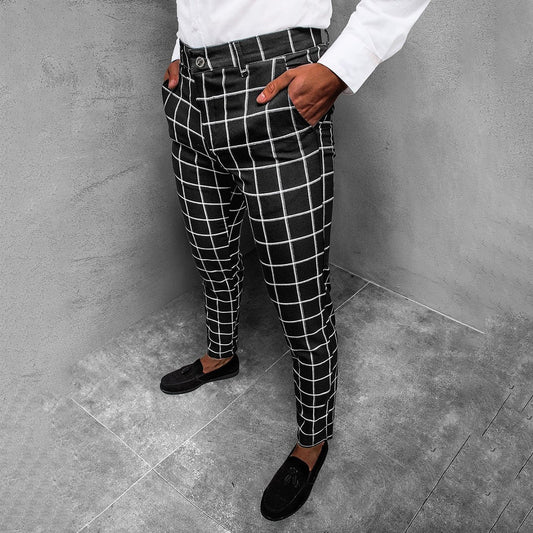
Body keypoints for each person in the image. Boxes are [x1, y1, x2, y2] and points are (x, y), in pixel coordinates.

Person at [159, 0, 431, 521]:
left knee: (298, 290)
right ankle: (221, 355)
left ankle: (313, 438)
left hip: (275, 88)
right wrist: (181, 46)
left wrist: (340, 67)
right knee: (210, 250)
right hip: (189, 93)